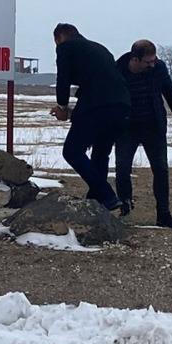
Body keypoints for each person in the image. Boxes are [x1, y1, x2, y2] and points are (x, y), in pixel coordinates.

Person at [51, 23, 130, 210]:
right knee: (101, 153)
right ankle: (97, 201)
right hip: (122, 106)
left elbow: (63, 78)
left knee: (72, 151)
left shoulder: (66, 47)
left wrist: (62, 106)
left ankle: (107, 195)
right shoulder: (100, 48)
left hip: (96, 106)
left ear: (59, 38)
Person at [114, 39, 172, 229]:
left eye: (154, 60)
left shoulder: (159, 68)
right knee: (122, 168)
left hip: (153, 126)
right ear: (135, 59)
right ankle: (125, 208)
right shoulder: (117, 69)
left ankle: (164, 215)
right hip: (127, 128)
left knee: (161, 170)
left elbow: (170, 91)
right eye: (148, 62)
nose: (152, 64)